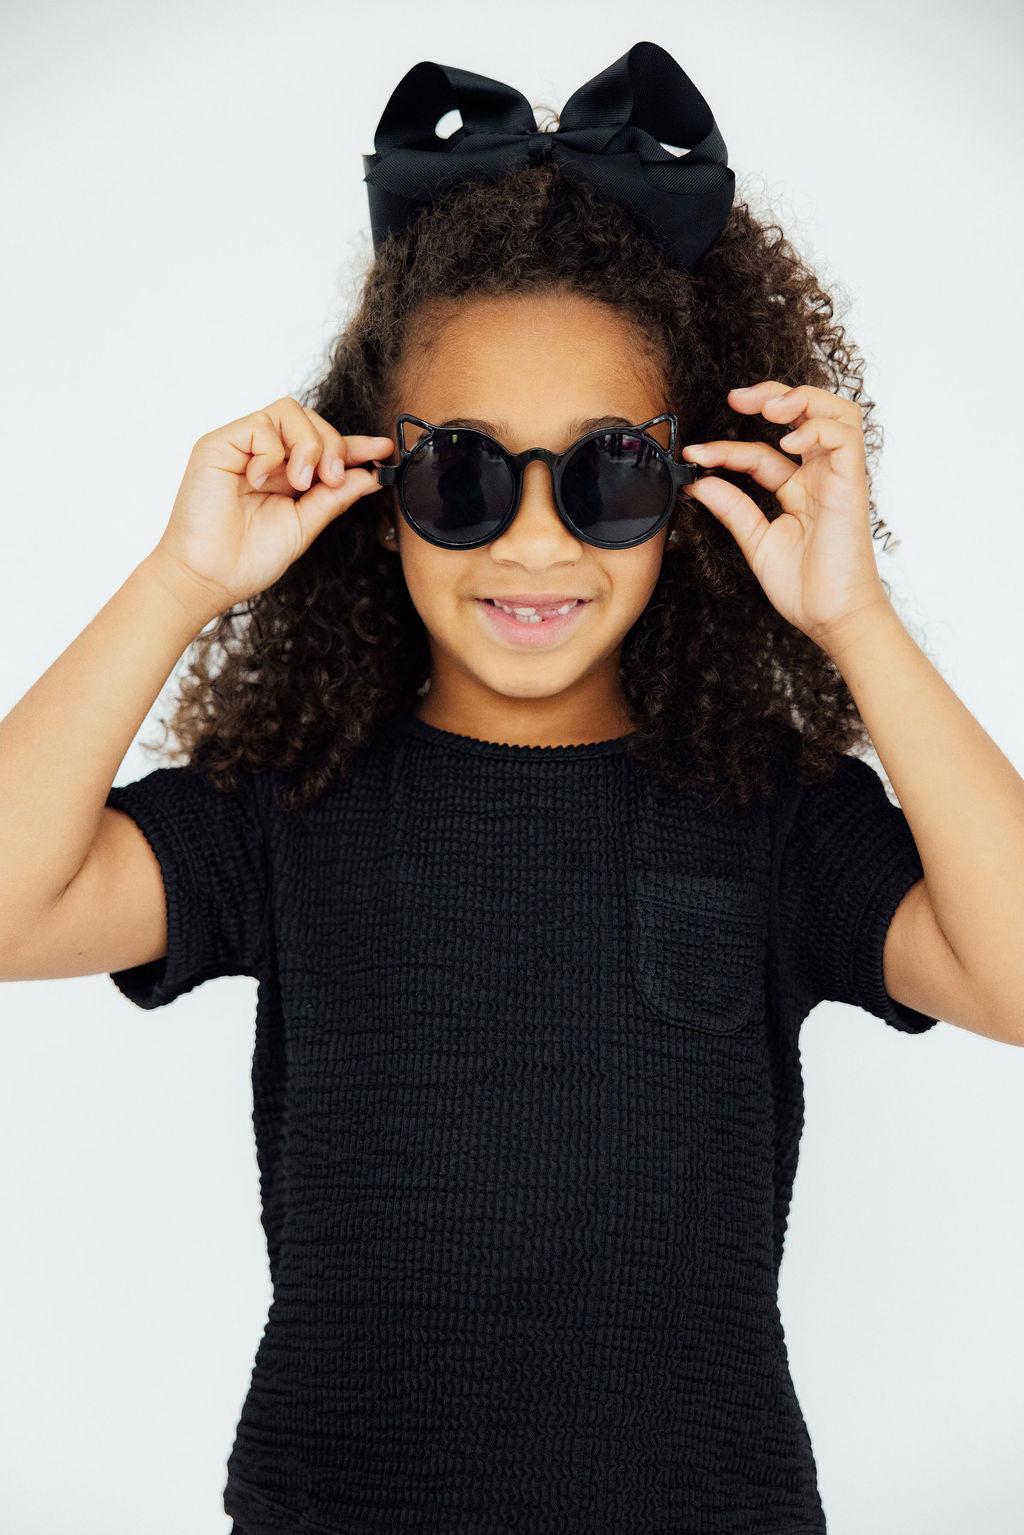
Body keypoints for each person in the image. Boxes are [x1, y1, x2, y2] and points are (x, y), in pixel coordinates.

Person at [2, 40, 1022, 1535]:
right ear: (380, 493)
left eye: (608, 473)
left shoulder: (772, 811)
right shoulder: (291, 804)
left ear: (691, 491)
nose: (534, 544)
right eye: (464, 476)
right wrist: (179, 581)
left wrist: (854, 620)